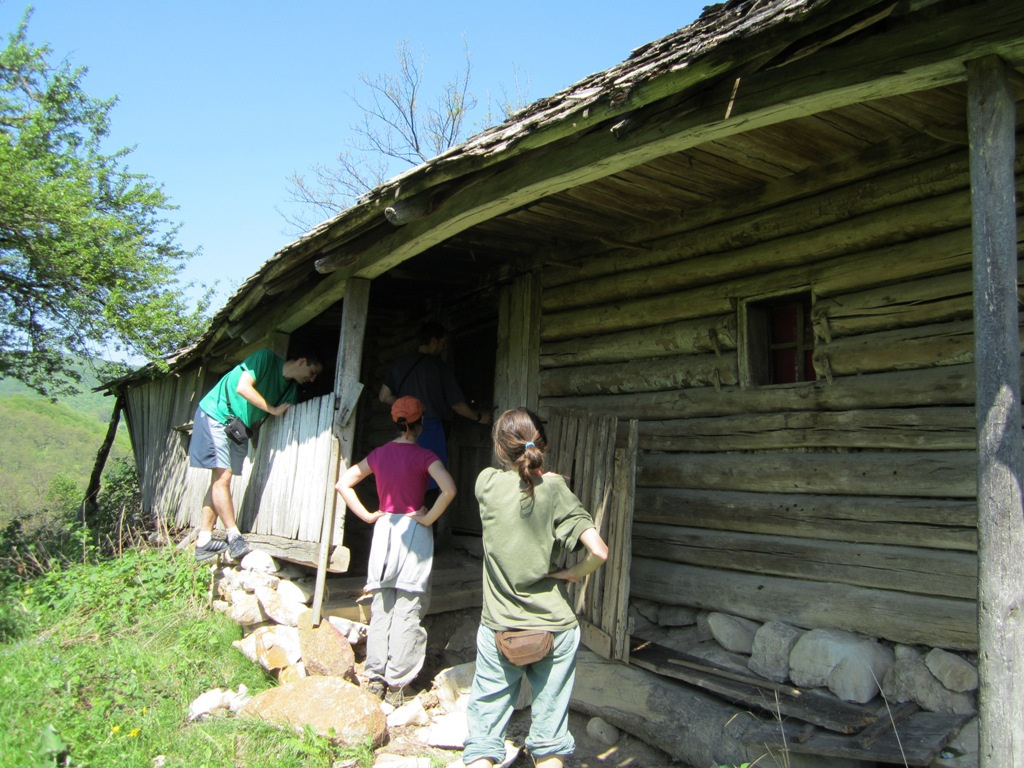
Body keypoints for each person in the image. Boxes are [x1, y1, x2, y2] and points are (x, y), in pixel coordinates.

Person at [463, 408, 609, 768]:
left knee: (483, 738)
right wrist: (574, 572)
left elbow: (518, 486)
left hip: (500, 626)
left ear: (500, 449)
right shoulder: (556, 489)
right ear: (541, 445)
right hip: (554, 629)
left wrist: (541, 480)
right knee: (550, 740)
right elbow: (599, 551)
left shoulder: (485, 483)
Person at [336, 395, 457, 705]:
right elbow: (450, 489)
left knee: (383, 604)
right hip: (413, 533)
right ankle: (398, 685)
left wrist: (367, 515)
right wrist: (428, 517)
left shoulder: (379, 454)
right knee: (409, 606)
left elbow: (343, 484)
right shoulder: (425, 456)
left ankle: (375, 677)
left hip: (385, 530)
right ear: (420, 424)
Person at [189, 347, 323, 561]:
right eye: (312, 372)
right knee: (223, 477)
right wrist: (272, 409)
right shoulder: (266, 358)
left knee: (219, 480)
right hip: (216, 414)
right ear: (302, 361)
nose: (312, 379)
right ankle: (234, 537)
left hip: (237, 429)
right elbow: (243, 388)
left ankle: (204, 541)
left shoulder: (290, 390)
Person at [379, 321, 492, 475]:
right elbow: (457, 405)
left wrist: (408, 405)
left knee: (404, 474)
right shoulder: (440, 368)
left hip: (404, 428)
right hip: (430, 428)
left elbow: (384, 396)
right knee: (431, 477)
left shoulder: (400, 364)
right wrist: (479, 417)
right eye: (443, 343)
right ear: (433, 341)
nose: (444, 347)